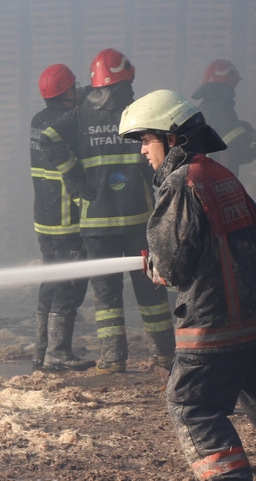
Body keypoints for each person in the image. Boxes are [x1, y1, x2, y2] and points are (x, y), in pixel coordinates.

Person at [119, 90, 256, 481]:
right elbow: (253, 231)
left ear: (172, 139)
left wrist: (155, 268)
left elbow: (174, 267)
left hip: (212, 326)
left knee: (192, 407)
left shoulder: (181, 184)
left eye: (145, 141)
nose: (141, 152)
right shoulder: (222, 176)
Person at [39, 48, 175, 373]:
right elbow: (158, 150)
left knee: (106, 296)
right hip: (139, 219)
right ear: (125, 79)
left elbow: (48, 138)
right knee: (151, 290)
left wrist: (74, 177)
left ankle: (113, 360)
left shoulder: (80, 114)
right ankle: (167, 356)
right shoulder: (136, 111)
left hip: (96, 223)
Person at [29, 64, 92, 372]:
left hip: (44, 217)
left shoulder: (38, 119)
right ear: (66, 91)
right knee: (69, 284)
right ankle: (57, 352)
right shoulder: (67, 122)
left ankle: (41, 350)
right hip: (67, 218)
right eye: (74, 87)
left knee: (51, 281)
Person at [191, 60, 256, 178]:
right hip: (215, 180)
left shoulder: (208, 107)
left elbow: (231, 154)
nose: (234, 87)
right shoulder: (220, 108)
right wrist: (249, 133)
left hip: (209, 177)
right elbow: (235, 144)